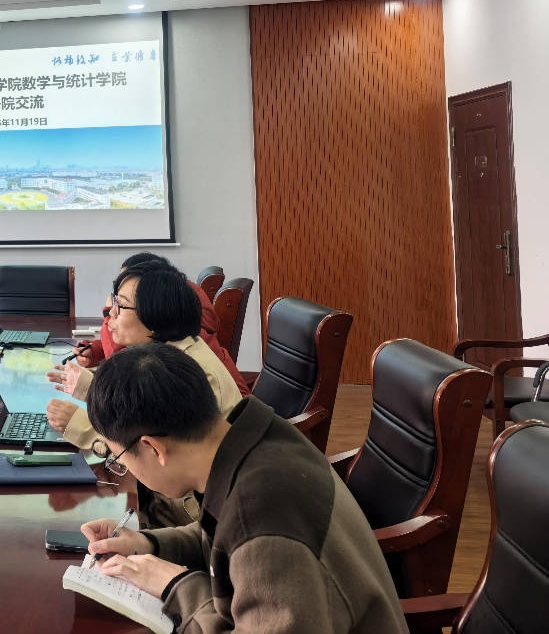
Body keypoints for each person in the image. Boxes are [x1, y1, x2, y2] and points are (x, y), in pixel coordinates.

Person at [79, 344, 407, 634]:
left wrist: (175, 586)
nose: (122, 467)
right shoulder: (253, 443)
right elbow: (222, 537)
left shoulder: (262, 515)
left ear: (153, 448)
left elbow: (247, 537)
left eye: (119, 458)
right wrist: (148, 543)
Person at [45, 259, 242, 447]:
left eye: (121, 305)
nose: (111, 313)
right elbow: (140, 416)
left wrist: (82, 428)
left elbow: (151, 453)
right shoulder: (172, 350)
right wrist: (93, 389)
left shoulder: (180, 373)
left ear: (155, 314)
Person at [72, 253, 249, 396]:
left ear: (153, 309)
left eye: (121, 304)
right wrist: (95, 350)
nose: (111, 311)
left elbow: (135, 424)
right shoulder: (175, 339)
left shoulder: (173, 370)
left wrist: (87, 394)